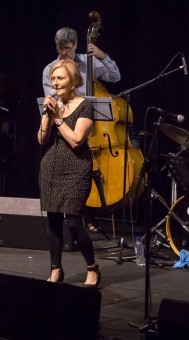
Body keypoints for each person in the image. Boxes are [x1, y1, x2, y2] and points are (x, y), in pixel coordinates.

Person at [42, 27, 121, 234]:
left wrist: (102, 56)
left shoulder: (90, 62)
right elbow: (54, 100)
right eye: (59, 49)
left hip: (92, 125)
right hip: (67, 124)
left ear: (76, 46)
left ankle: (94, 214)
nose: (63, 53)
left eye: (67, 49)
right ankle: (85, 216)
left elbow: (115, 77)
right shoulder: (51, 69)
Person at [38, 59, 100, 288]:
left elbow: (75, 140)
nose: (56, 82)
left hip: (76, 168)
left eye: (61, 78)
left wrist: (57, 118)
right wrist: (47, 113)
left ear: (73, 80)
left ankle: (92, 268)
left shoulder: (85, 106)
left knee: (73, 222)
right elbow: (41, 138)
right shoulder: (51, 105)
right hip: (51, 167)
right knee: (53, 220)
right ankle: (56, 269)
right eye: (53, 78)